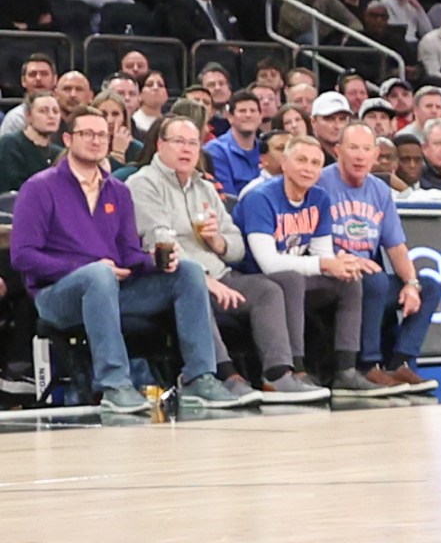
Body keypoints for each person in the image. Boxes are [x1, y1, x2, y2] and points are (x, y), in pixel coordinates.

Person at [10, 109, 246, 412]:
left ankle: (199, 377)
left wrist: (155, 261)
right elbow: (23, 256)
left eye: (102, 135)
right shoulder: (39, 188)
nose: (96, 140)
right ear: (68, 139)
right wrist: (85, 269)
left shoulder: (118, 191)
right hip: (56, 296)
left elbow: (127, 254)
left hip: (112, 289)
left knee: (187, 271)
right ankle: (114, 384)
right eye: (87, 134)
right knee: (98, 274)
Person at [129, 116, 327, 402]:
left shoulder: (205, 187)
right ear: (160, 144)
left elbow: (237, 246)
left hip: (222, 274)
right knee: (194, 288)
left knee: (267, 290)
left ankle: (277, 375)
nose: (186, 149)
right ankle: (226, 375)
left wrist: (217, 242)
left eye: (193, 143)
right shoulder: (143, 183)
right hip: (175, 278)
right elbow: (161, 241)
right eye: (178, 142)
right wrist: (206, 279)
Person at [233, 133, 379, 396]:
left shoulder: (319, 199)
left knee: (349, 279)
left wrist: (340, 263)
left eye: (315, 163)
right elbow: (268, 263)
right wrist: (325, 263)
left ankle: (345, 370)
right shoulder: (260, 198)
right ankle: (297, 369)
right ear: (285, 164)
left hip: (293, 275)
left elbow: (321, 252)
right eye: (301, 160)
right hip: (253, 278)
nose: (308, 168)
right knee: (291, 278)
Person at [322, 124, 441, 394]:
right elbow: (310, 238)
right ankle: (368, 365)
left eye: (366, 149)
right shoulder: (321, 183)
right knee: (374, 279)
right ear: (338, 151)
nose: (360, 156)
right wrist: (345, 258)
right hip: (332, 275)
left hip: (368, 278)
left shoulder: (379, 190)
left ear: (376, 155)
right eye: (353, 148)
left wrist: (411, 283)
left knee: (430, 286)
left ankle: (400, 362)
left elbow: (396, 246)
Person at [204, 89, 266, 198]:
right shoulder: (215, 151)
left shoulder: (267, 149)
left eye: (253, 111)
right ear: (230, 117)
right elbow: (228, 200)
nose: (248, 115)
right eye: (242, 111)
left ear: (260, 117)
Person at [0, 90, 61, 192]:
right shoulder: (10, 144)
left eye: (55, 111)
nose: (51, 116)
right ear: (28, 116)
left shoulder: (60, 153)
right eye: (43, 111)